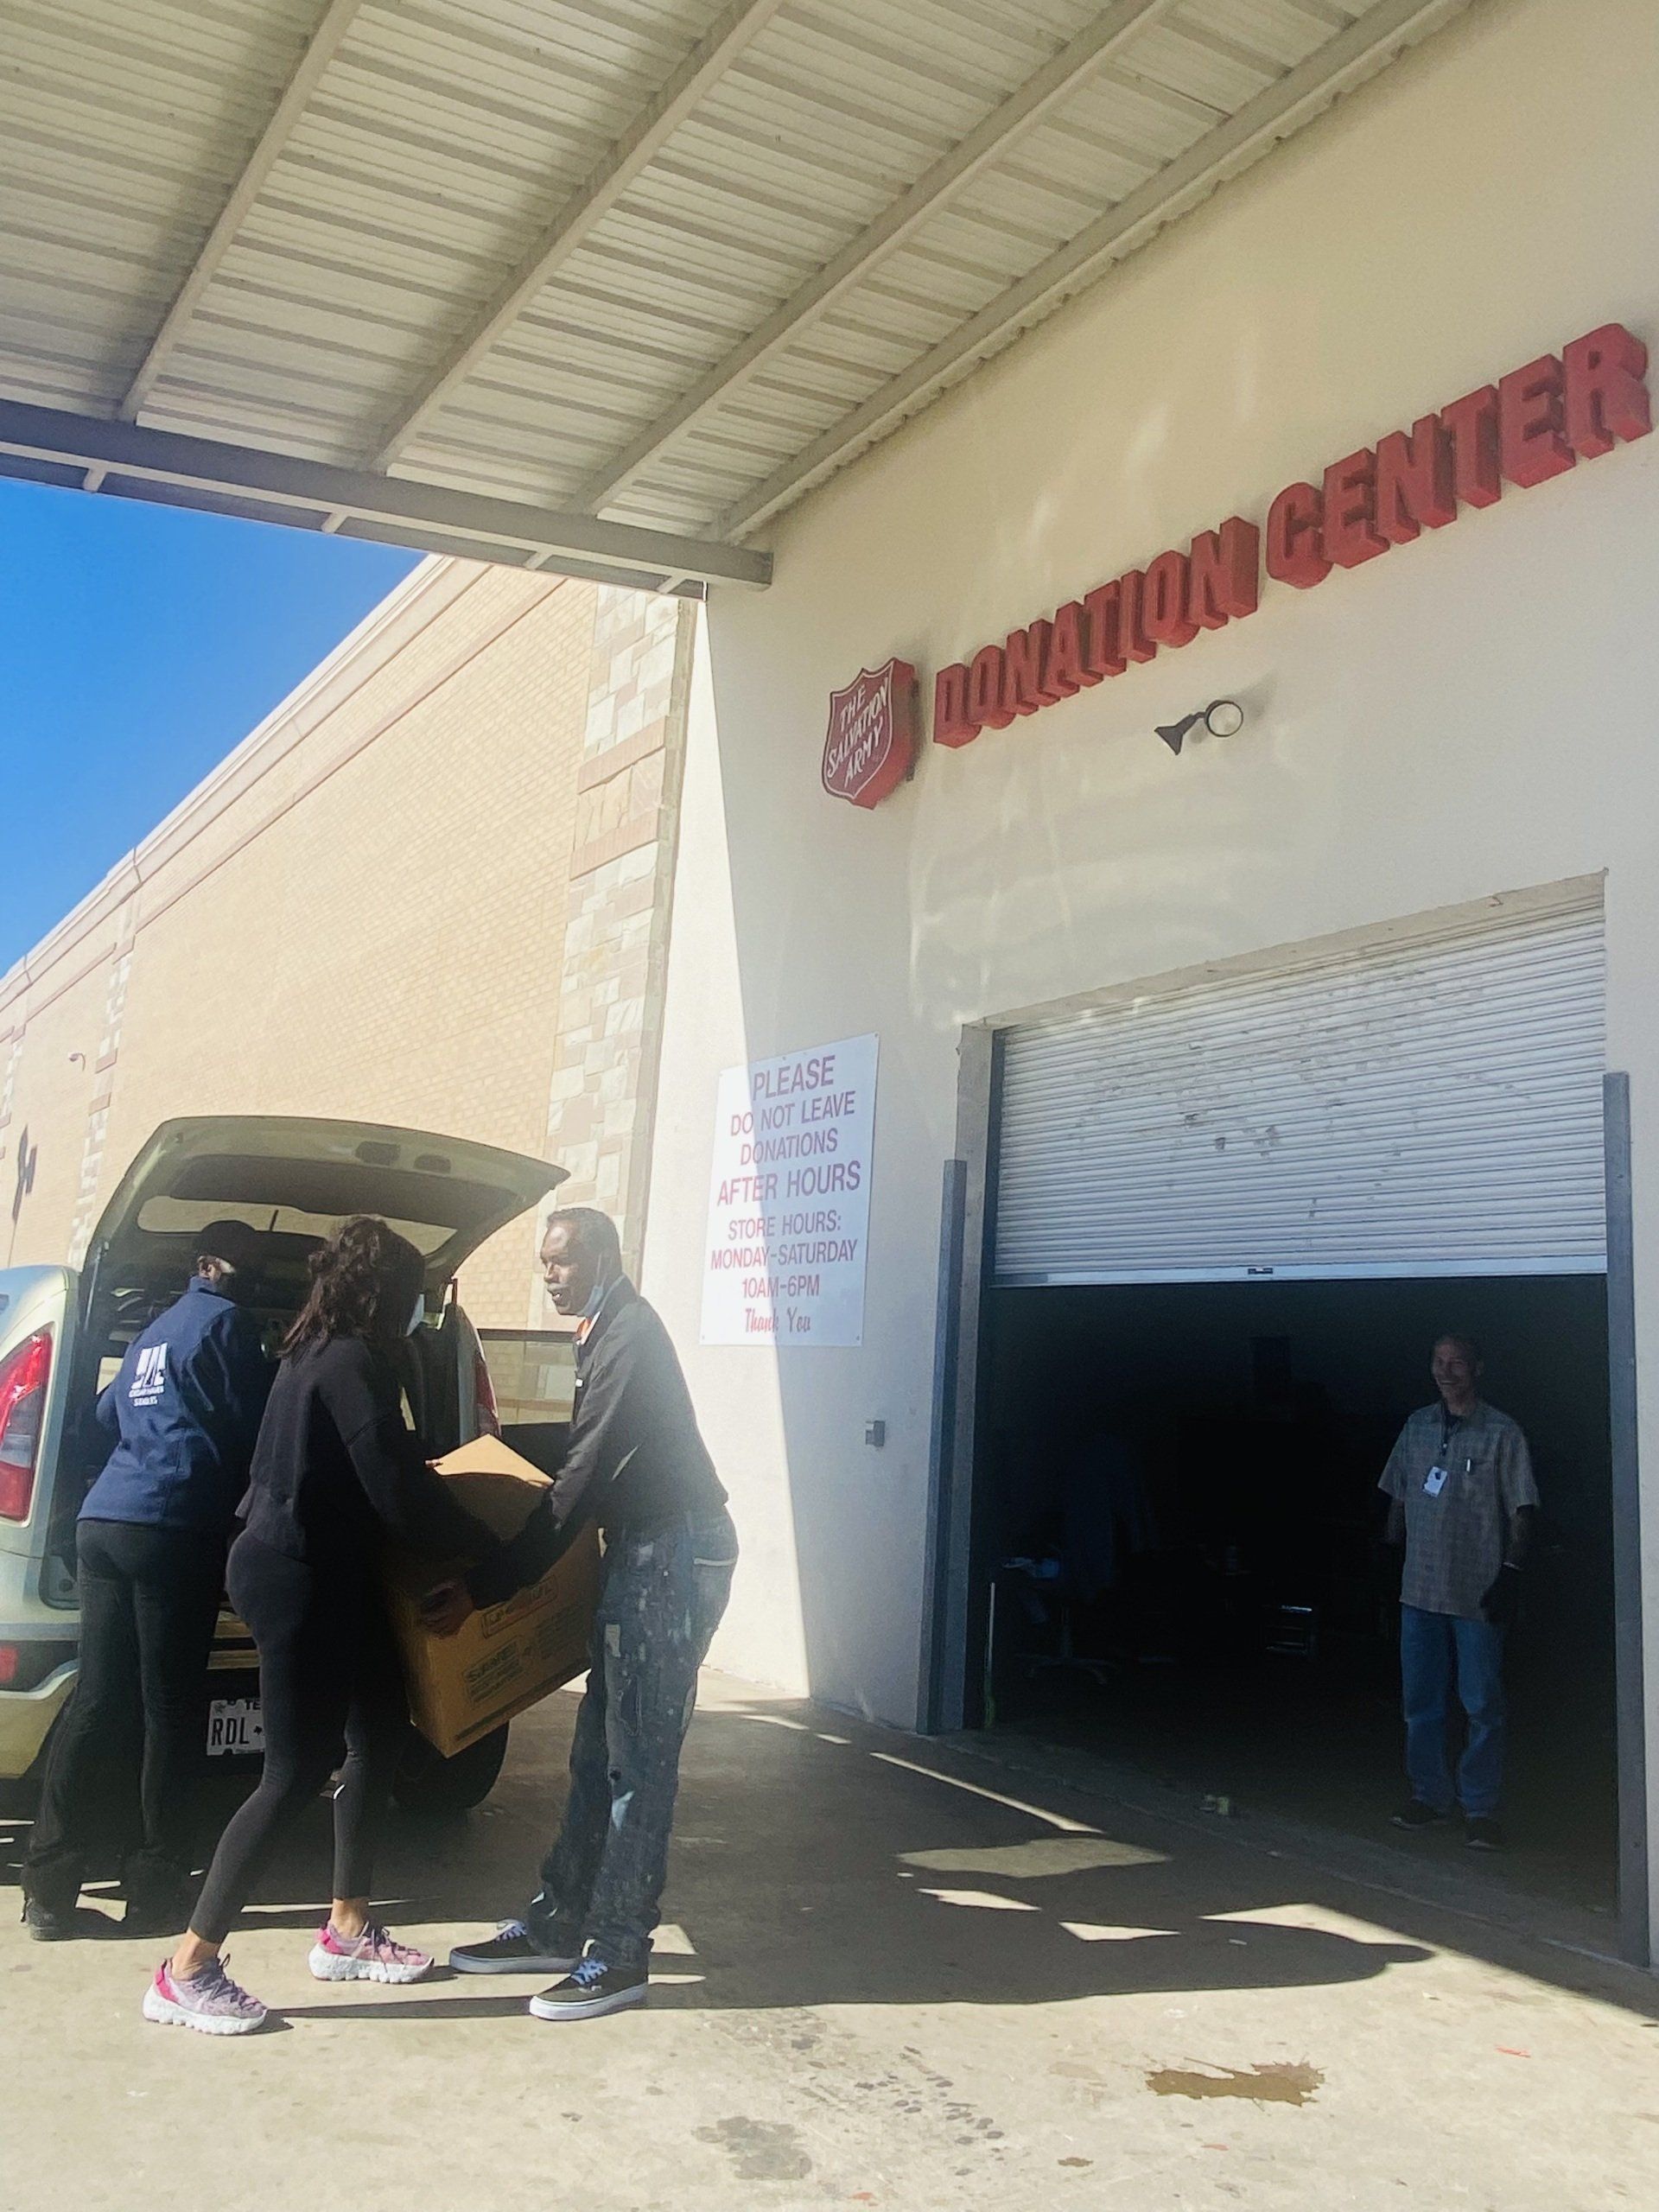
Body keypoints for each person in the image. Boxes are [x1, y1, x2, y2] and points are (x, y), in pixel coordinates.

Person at [143, 1215, 508, 2035]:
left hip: (328, 1569)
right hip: (295, 1575)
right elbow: (395, 1488)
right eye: (416, 1298)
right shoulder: (350, 1363)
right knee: (293, 1770)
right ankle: (186, 1970)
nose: (421, 1313)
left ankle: (347, 1927)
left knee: (380, 1730)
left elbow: (389, 1467)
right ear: (385, 1296)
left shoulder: (329, 1352)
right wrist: (490, 1555)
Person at [445, 1205, 737, 2022]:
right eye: (543, 1262)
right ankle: (559, 1919)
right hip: (640, 1548)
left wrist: (488, 1585)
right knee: (593, 1752)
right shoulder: (600, 1334)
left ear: (602, 1257)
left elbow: (581, 1479)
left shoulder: (629, 1335)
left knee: (638, 1766)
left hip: (675, 1552)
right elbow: (580, 1465)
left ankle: (619, 1950)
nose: (549, 1275)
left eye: (562, 1261)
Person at [22, 1220, 273, 1940]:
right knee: (170, 1708)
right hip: (170, 1527)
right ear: (207, 1264)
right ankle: (156, 1880)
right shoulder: (229, 1327)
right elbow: (259, 1432)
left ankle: (50, 1886)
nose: (247, 1278)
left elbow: (103, 1420)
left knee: (101, 1699)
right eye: (243, 1264)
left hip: (104, 1524)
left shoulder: (153, 1333)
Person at [1379, 1332, 1538, 1852]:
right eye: (1439, 1363)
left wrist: (1512, 1571)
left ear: (1478, 1368)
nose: (1447, 1372)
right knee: (1420, 1702)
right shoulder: (1416, 1426)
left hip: (1476, 1594)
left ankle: (1481, 1809)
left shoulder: (1502, 1433)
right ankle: (1428, 1796)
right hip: (1419, 1592)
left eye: (1458, 1364)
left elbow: (1523, 1508)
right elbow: (1399, 1496)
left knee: (1482, 1704)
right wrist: (1388, 1558)